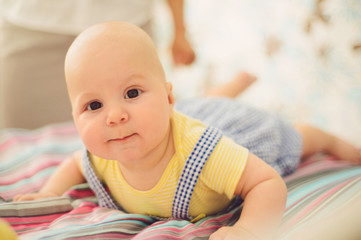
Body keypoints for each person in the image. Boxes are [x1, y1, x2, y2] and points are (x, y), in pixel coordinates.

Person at [14, 22, 361, 240]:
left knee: (289, 139)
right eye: (93, 106)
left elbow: (266, 182)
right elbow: (76, 162)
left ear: (166, 96)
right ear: (74, 117)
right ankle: (226, 88)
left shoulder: (207, 154)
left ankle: (317, 132)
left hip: (226, 129)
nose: (114, 116)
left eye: (132, 93)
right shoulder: (102, 153)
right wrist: (49, 192)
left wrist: (249, 230)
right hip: (180, 116)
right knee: (195, 106)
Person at [0, 0, 195, 130]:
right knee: (16, 139)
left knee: (146, 136)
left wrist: (180, 30)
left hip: (126, 24)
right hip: (29, 25)